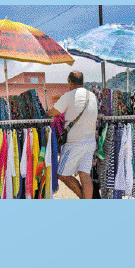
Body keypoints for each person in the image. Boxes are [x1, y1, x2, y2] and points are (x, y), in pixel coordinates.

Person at [48, 71, 98, 199]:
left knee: (61, 173)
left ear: (70, 81)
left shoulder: (69, 96)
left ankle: (83, 198)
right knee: (85, 175)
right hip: (90, 142)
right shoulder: (92, 96)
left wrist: (48, 113)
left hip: (74, 143)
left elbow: (53, 112)